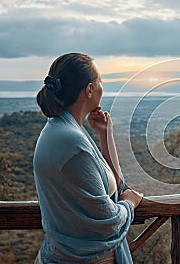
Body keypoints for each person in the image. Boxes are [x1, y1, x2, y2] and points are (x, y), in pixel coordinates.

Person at [33, 53, 143, 264]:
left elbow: (114, 190)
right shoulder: (71, 142)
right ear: (90, 89)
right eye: (100, 82)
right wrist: (129, 204)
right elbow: (107, 221)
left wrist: (104, 134)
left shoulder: (65, 131)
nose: (103, 88)